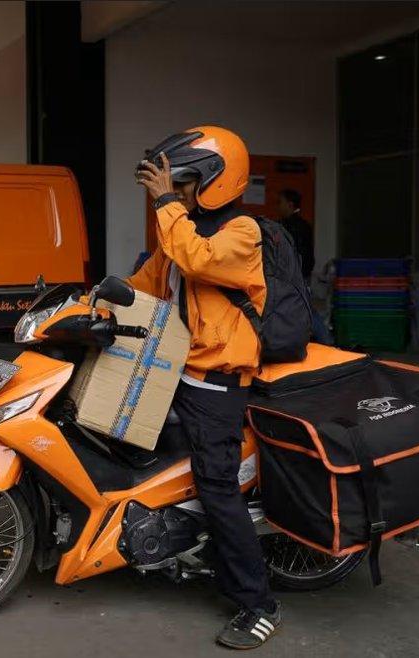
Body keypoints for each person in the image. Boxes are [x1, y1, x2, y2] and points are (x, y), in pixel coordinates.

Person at [131, 126, 281, 650]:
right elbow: (145, 285)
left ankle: (257, 603)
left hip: (217, 383)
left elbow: (201, 259)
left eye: (188, 182)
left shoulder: (241, 232)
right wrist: (85, 306)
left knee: (215, 485)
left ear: (216, 181)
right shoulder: (180, 232)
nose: (182, 192)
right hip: (177, 373)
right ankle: (169, 540)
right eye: (180, 184)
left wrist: (166, 202)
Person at [278, 189, 333, 345]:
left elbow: (301, 257)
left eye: (280, 203)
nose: (278, 206)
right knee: (301, 309)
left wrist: (296, 277)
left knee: (306, 311)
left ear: (290, 204)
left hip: (296, 277)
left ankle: (327, 342)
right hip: (296, 277)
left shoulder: (295, 227)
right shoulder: (293, 225)